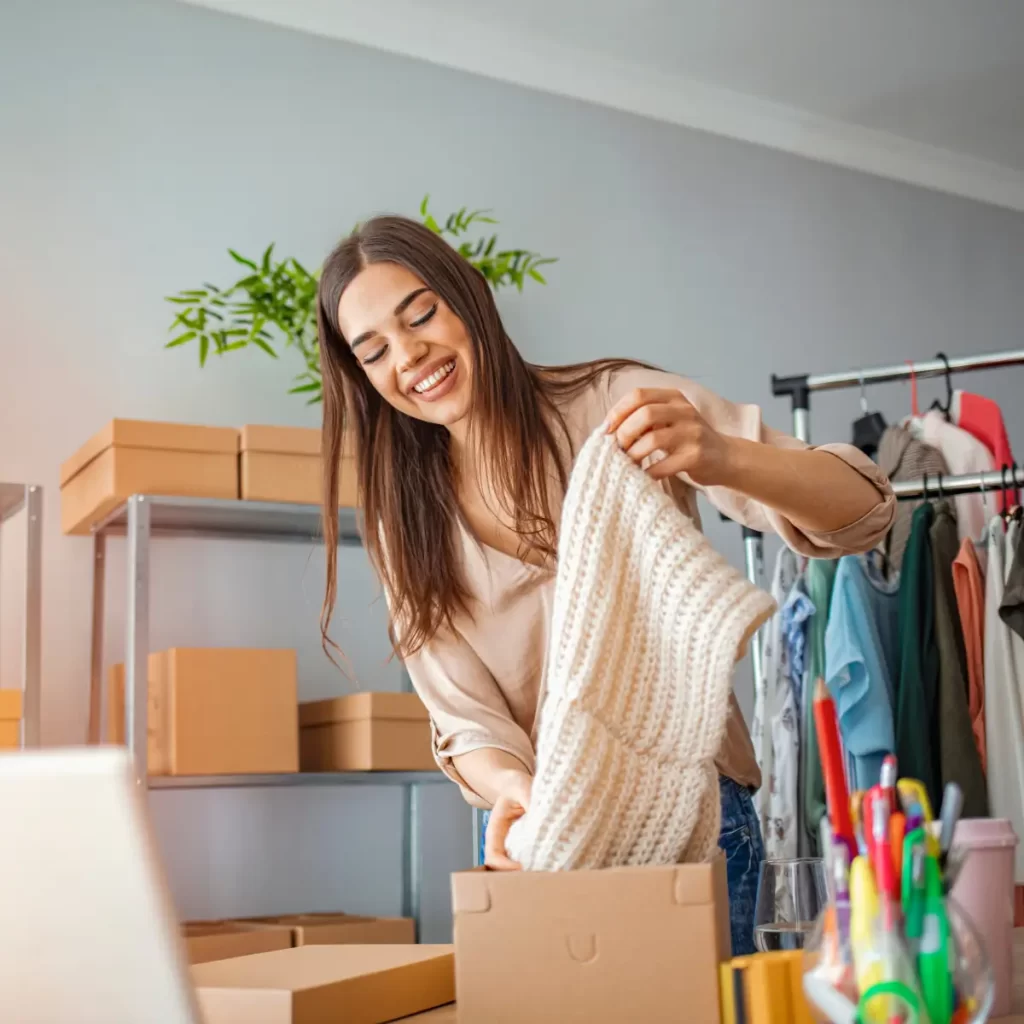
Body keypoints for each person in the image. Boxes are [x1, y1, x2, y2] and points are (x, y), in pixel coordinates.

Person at [315, 215, 895, 955]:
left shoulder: (614, 405)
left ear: (469, 297)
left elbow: (866, 512)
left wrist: (721, 457)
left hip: (694, 812)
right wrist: (513, 793)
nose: (410, 355)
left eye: (421, 313)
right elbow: (461, 714)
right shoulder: (406, 517)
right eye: (374, 352)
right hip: (542, 838)